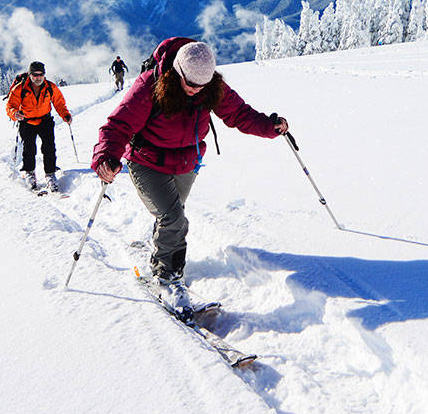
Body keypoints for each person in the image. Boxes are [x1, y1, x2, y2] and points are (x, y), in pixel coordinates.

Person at [92, 38, 288, 313]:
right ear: (177, 72)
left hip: (186, 163)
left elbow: (239, 114)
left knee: (172, 215)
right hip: (146, 162)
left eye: (202, 85)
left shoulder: (211, 87)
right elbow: (118, 125)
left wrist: (269, 126)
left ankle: (162, 258)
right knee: (173, 218)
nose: (197, 91)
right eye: (191, 84)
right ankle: (167, 278)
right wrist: (105, 156)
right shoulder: (150, 86)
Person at [7, 61, 73, 191]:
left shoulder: (50, 87)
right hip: (27, 121)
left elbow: (59, 103)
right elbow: (10, 106)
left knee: (49, 147)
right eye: (35, 75)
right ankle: (30, 173)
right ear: (30, 75)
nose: (38, 77)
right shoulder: (20, 88)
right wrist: (15, 114)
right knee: (29, 148)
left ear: (44, 75)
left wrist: (65, 115)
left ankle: (50, 174)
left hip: (45, 120)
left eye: (41, 74)